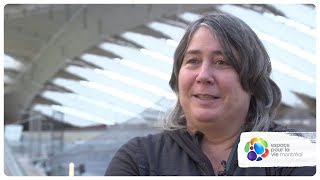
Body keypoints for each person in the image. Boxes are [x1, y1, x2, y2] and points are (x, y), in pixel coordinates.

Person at [105, 13, 316, 176]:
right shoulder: (140, 160)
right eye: (193, 61)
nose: (203, 76)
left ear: (252, 81)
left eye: (221, 62)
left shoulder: (295, 151)